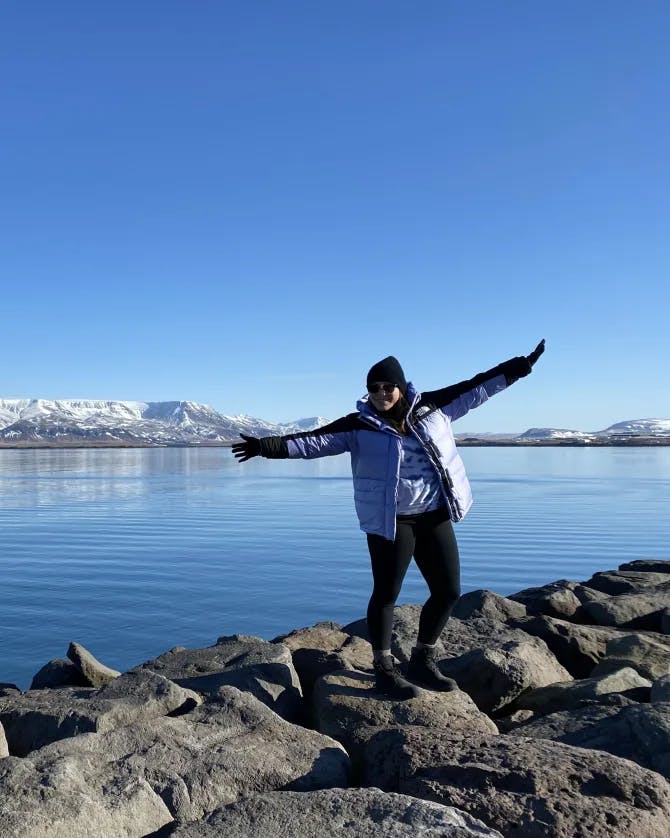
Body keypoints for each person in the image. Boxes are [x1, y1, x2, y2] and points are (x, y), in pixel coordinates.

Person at [232, 340, 545, 699]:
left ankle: (423, 660)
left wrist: (520, 366)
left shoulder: (433, 407)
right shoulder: (358, 426)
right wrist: (263, 447)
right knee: (386, 594)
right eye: (374, 388)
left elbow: (478, 387)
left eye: (387, 386)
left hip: (434, 514)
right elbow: (311, 443)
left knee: (448, 591)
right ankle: (383, 669)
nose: (381, 393)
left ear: (400, 386)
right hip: (391, 522)